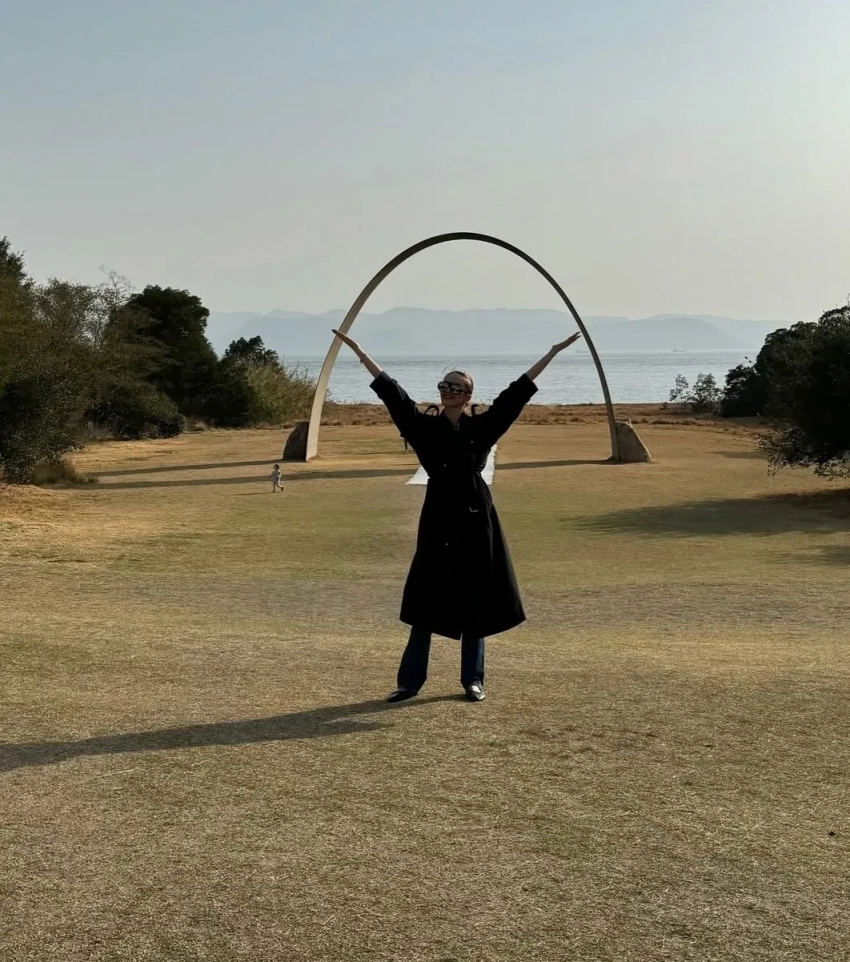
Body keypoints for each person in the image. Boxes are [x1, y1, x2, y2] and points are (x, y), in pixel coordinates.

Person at [332, 327, 582, 703]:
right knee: (424, 601)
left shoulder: (482, 427)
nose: (447, 391)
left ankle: (472, 680)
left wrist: (552, 352)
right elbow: (393, 394)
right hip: (438, 517)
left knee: (476, 601)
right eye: (443, 385)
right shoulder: (423, 428)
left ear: (467, 396)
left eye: (455, 387)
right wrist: (360, 352)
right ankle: (409, 683)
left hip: (476, 515)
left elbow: (515, 396)